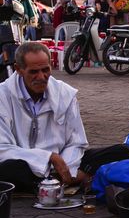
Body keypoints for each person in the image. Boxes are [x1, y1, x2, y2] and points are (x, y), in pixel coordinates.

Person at [0, 42, 88, 194]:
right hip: (24, 166)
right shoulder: (3, 96)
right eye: (33, 71)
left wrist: (67, 168)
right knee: (9, 169)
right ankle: (47, 184)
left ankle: (53, 182)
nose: (41, 77)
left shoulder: (65, 94)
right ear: (19, 70)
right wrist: (48, 157)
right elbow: (3, 149)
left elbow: (77, 142)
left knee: (118, 153)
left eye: (45, 70)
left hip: (61, 166)